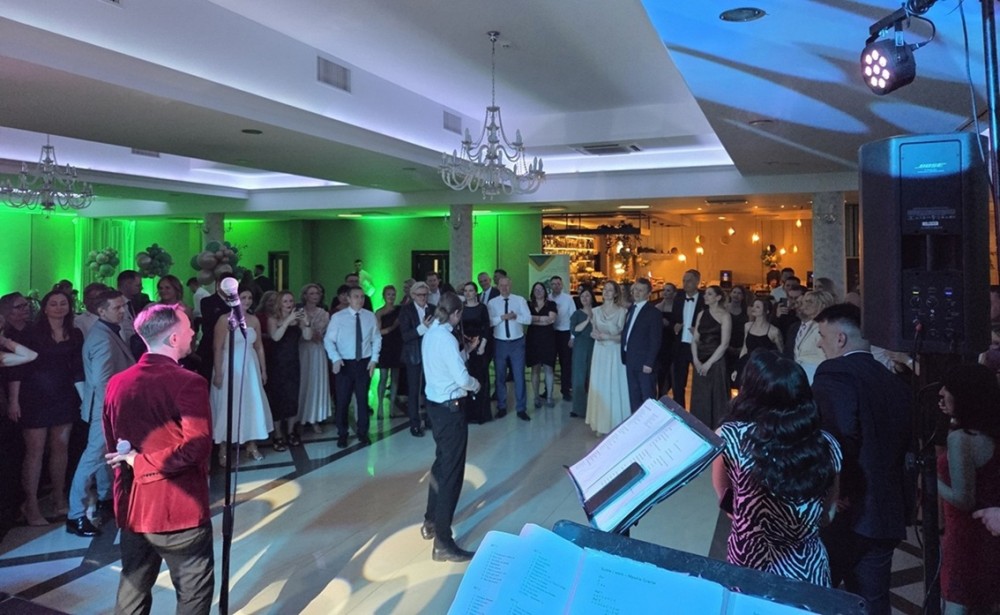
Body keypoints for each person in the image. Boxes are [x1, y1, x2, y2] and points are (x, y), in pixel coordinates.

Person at [102, 303, 214, 614]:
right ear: (174, 338)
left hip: (134, 507)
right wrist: (141, 462)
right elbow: (197, 448)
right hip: (178, 509)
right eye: (188, 327)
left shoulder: (117, 382)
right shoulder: (189, 382)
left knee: (132, 595)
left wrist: (133, 465)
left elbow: (113, 446)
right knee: (193, 595)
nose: (193, 332)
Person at [812, 303, 912, 615]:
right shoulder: (894, 381)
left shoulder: (833, 373)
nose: (819, 343)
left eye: (822, 335)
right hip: (886, 512)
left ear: (840, 338)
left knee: (819, 596)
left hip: (847, 512)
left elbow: (837, 438)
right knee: (873, 602)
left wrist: (839, 492)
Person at [712, 350, 841, 585]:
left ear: (752, 393)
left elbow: (726, 500)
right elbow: (827, 515)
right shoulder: (828, 445)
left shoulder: (730, 437)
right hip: (807, 569)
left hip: (749, 566)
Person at [6, 290, 83, 526]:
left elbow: (77, 366)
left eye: (63, 303)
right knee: (35, 451)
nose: (59, 307)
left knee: (61, 448)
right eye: (54, 303)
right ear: (45, 308)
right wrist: (14, 400)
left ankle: (59, 497)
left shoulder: (74, 333)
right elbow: (18, 369)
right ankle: (30, 504)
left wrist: (82, 395)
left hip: (63, 393)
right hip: (34, 394)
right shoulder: (31, 332)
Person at [66, 289, 134, 537]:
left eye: (122, 306)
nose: (122, 311)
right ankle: (76, 514)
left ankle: (106, 498)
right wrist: (111, 411)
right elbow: (103, 380)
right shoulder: (101, 338)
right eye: (117, 307)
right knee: (92, 457)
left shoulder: (107, 331)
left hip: (105, 406)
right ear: (101, 311)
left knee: (104, 455)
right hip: (104, 407)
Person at [418, 292, 481, 563]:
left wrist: (465, 352)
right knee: (451, 475)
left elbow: (444, 364)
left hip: (436, 407)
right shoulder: (446, 338)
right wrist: (476, 385)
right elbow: (462, 378)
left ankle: (431, 520)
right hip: (451, 409)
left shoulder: (431, 333)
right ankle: (443, 541)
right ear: (455, 314)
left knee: (441, 465)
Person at [935, 364, 1000, 614]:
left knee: (958, 601)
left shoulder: (962, 438)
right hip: (990, 533)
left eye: (948, 388)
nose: (941, 392)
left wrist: (931, 480)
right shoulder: (990, 432)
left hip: (965, 537)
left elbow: (964, 499)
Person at [211, 285, 272, 464]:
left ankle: (251, 444)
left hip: (250, 366)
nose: (247, 301)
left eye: (249, 298)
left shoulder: (254, 320)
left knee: (251, 404)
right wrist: (218, 373)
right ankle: (223, 447)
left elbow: (259, 346)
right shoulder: (224, 319)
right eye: (243, 297)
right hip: (230, 365)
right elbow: (217, 348)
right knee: (227, 405)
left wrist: (263, 370)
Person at [325, 286, 381, 448]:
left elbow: (377, 338)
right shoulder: (338, 317)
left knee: (363, 400)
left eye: (362, 297)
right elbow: (328, 340)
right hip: (345, 363)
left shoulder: (370, 316)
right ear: (348, 299)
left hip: (363, 362)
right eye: (356, 296)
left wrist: (374, 359)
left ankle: (363, 432)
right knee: (343, 400)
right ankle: (342, 433)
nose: (360, 300)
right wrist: (335, 358)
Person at [266, 290, 311, 450]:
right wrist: (287, 321)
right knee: (277, 398)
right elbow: (275, 337)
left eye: (291, 301)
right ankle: (278, 434)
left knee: (292, 396)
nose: (289, 304)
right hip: (277, 363)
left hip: (293, 362)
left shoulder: (297, 319)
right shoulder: (273, 319)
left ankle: (291, 432)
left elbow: (307, 337)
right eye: (285, 301)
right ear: (279, 303)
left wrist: (306, 322)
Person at [585, 281, 630, 435]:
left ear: (616, 293)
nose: (606, 292)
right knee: (601, 385)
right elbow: (593, 330)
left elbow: (623, 337)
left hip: (614, 352)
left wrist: (607, 337)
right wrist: (595, 335)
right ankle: (600, 424)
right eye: (605, 289)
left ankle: (615, 423)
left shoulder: (622, 312)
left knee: (614, 385)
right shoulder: (595, 311)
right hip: (600, 351)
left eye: (610, 290)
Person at [488, 276, 533, 421]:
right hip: (499, 343)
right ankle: (501, 407)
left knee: (519, 376)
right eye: (501, 285)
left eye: (506, 285)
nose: (504, 288)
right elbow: (489, 322)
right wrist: (502, 317)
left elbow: (528, 319)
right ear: (498, 286)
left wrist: (515, 317)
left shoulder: (519, 300)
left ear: (511, 285)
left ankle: (521, 408)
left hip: (517, 342)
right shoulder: (492, 303)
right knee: (500, 376)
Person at [690, 285, 732, 429]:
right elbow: (695, 339)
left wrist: (708, 363)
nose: (705, 296)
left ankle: (717, 429)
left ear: (718, 297)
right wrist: (696, 360)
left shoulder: (725, 316)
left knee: (716, 397)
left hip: (716, 360)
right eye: (705, 294)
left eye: (709, 294)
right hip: (700, 359)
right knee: (700, 397)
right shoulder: (701, 314)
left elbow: (724, 344)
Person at [399, 281, 435, 436]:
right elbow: (405, 336)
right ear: (413, 295)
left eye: (425, 295)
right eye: (420, 295)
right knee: (414, 391)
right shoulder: (406, 310)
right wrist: (423, 328)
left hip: (431, 354)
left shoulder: (433, 308)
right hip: (414, 354)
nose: (423, 298)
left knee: (430, 389)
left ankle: (430, 419)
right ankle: (414, 424)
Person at [622, 278, 661, 413]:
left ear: (648, 294)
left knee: (647, 397)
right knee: (634, 395)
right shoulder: (631, 309)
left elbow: (655, 340)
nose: (637, 293)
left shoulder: (653, 312)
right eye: (635, 289)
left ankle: (650, 423)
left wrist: (649, 363)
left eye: (641, 290)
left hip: (644, 362)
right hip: (631, 359)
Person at [298, 283, 331, 433]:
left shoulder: (324, 313)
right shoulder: (299, 312)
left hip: (317, 350)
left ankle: (315, 418)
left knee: (316, 381)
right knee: (303, 381)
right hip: (302, 350)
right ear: (305, 296)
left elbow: (320, 334)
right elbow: (303, 333)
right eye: (311, 293)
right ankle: (299, 418)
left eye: (317, 293)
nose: (315, 296)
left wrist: (312, 332)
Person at [670, 269, 704, 408]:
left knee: (700, 383)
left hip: (698, 346)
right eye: (684, 280)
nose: (685, 283)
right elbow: (673, 319)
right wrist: (675, 326)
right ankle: (680, 411)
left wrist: (699, 331)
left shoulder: (704, 299)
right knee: (678, 383)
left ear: (697, 282)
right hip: (680, 345)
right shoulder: (678, 298)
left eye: (689, 280)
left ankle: (698, 412)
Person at [460, 281, 492, 424]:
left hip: (480, 348)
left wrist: (482, 345)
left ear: (475, 292)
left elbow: (486, 327)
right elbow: (458, 327)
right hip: (465, 347)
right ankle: (468, 414)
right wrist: (466, 344)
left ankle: (481, 414)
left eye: (471, 290)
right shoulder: (461, 308)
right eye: (465, 291)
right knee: (466, 378)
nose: (468, 293)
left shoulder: (482, 308)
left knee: (481, 378)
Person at [789, 290, 835, 384]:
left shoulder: (826, 327)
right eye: (805, 301)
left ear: (822, 305)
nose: (804, 305)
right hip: (802, 375)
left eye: (810, 302)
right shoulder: (810, 325)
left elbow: (827, 355)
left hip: (817, 375)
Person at [735, 297, 783, 386]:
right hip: (747, 364)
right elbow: (745, 348)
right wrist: (737, 368)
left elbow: (780, 352)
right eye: (753, 306)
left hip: (764, 368)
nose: (753, 308)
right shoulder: (748, 326)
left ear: (766, 311)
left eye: (757, 307)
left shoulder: (774, 331)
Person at [526, 281, 557, 409]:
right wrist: (541, 319)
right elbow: (527, 319)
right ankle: (536, 397)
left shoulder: (551, 304)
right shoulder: (528, 305)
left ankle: (549, 396)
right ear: (533, 292)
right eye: (536, 290)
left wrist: (534, 319)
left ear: (545, 291)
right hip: (533, 339)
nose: (538, 292)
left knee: (549, 368)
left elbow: (551, 320)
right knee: (535, 369)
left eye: (541, 289)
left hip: (548, 339)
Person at [375, 285, 403, 420]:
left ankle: (392, 407)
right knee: (383, 377)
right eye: (388, 294)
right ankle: (380, 406)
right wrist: (392, 327)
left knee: (395, 378)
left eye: (393, 294)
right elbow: (378, 332)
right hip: (385, 345)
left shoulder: (399, 310)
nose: (391, 297)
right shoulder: (379, 312)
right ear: (384, 296)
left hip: (397, 344)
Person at [569, 286, 596, 418]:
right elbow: (574, 330)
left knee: (593, 377)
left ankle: (593, 409)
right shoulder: (577, 314)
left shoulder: (598, 312)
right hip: (580, 347)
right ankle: (578, 409)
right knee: (579, 377)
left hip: (595, 346)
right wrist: (587, 320)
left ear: (592, 298)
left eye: (587, 296)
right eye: (582, 296)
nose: (585, 298)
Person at [549, 275, 575, 402]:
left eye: (558, 284)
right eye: (553, 284)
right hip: (551, 334)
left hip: (565, 334)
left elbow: (573, 318)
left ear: (562, 285)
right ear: (550, 286)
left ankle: (565, 390)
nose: (556, 286)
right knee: (549, 363)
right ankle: (548, 390)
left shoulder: (568, 299)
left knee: (566, 363)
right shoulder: (547, 298)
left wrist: (572, 337)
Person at [654, 282, 678, 398]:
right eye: (664, 290)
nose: (665, 293)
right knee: (661, 371)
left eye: (668, 290)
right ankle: (661, 394)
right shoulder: (658, 307)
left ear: (674, 293)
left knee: (673, 372)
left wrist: (670, 325)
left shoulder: (678, 308)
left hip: (674, 341)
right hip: (662, 342)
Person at [725, 286, 749, 388]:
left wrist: (743, 347)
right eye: (734, 292)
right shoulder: (724, 308)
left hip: (741, 347)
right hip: (726, 346)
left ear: (743, 296)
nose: (736, 295)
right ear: (730, 294)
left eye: (739, 293)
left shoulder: (747, 311)